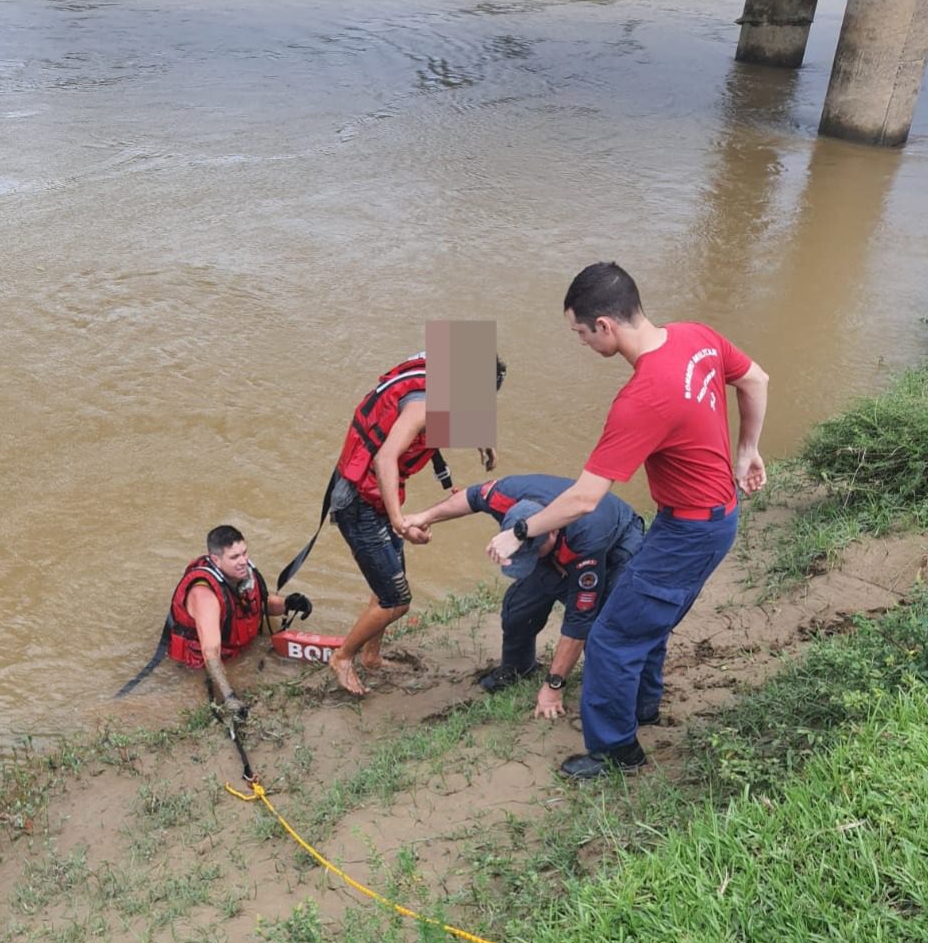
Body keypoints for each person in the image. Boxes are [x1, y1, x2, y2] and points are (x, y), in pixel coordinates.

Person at [487, 262, 768, 779]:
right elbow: (754, 379)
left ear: (606, 327)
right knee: (647, 618)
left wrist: (521, 531)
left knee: (612, 635)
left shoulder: (643, 398)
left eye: (579, 332)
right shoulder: (695, 337)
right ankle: (642, 708)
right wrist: (747, 450)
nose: (580, 342)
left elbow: (584, 499)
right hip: (709, 517)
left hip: (690, 532)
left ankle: (618, 752)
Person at [327, 352, 505, 697]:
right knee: (396, 600)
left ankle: (372, 657)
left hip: (377, 497)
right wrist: (398, 521)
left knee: (386, 583)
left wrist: (485, 440)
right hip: (359, 503)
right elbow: (385, 457)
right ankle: (342, 657)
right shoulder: (422, 408)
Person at [404, 473, 644, 716]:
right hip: (556, 545)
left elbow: (579, 621)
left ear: (551, 533)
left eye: (533, 555)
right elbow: (470, 497)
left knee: (607, 626)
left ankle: (623, 699)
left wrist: (553, 686)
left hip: (617, 541)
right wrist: (424, 517)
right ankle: (519, 667)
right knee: (518, 610)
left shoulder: (586, 539)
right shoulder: (506, 494)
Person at [168, 525, 311, 722]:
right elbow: (210, 652)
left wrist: (288, 604)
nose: (243, 561)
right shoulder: (205, 596)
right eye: (234, 557)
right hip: (197, 666)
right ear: (216, 560)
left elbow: (257, 604)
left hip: (239, 650)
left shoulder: (240, 574)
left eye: (244, 553)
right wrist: (229, 697)